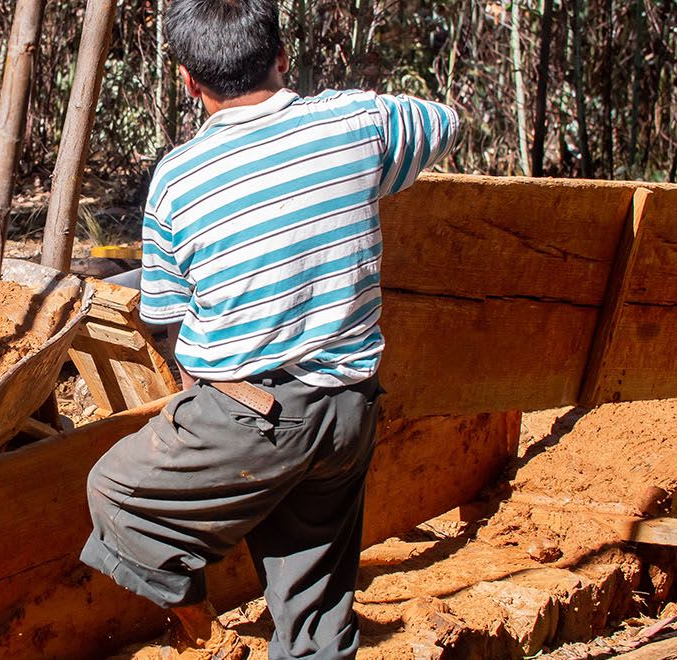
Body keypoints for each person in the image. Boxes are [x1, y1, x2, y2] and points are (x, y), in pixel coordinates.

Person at [80, 2, 459, 659]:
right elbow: (445, 120)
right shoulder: (358, 124)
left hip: (251, 415)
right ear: (282, 57)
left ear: (187, 81)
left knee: (114, 494)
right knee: (314, 611)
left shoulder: (180, 180)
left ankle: (197, 622)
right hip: (347, 410)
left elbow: (163, 315)